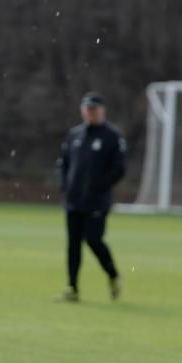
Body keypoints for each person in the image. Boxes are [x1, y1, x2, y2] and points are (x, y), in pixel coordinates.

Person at [58, 91, 126, 302]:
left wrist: (99, 187)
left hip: (97, 201)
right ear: (82, 110)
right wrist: (65, 185)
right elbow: (63, 163)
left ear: (102, 110)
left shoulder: (112, 136)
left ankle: (113, 275)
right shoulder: (74, 135)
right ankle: (72, 287)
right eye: (87, 109)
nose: (90, 113)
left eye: (94, 109)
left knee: (94, 240)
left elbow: (119, 169)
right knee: (73, 245)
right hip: (74, 200)